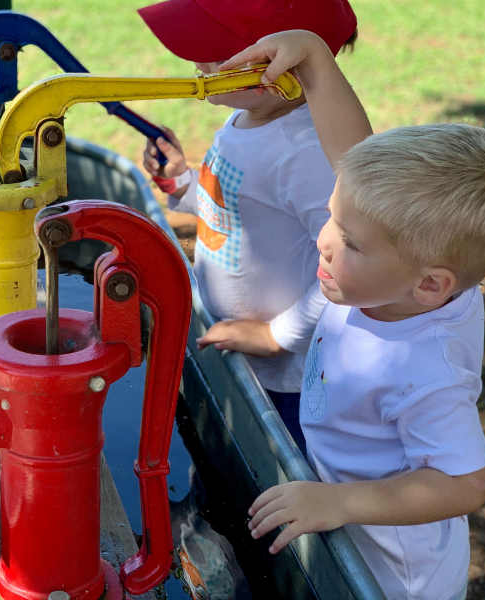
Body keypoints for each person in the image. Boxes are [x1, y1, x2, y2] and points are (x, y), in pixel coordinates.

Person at [222, 30, 485, 600]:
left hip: (394, 575)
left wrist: (339, 502)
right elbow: (349, 155)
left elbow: (463, 484)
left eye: (351, 243)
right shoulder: (403, 274)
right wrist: (311, 56)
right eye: (333, 216)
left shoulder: (427, 368)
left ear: (432, 285)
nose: (326, 242)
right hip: (353, 528)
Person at [138, 0, 358, 452]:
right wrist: (182, 182)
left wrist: (277, 336)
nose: (196, 61)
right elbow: (234, 206)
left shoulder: (307, 154)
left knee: (274, 477)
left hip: (288, 381)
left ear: (281, 70)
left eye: (213, 49)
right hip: (237, 354)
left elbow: (350, 271)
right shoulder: (246, 117)